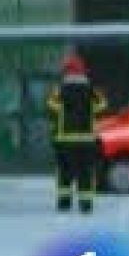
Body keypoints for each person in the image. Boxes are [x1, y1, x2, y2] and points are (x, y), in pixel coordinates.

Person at [46, 51, 108, 213]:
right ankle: (86, 204)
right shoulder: (90, 90)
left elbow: (51, 107)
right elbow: (102, 105)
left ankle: (64, 202)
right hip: (86, 140)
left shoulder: (59, 91)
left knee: (65, 173)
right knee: (85, 173)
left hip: (64, 140)